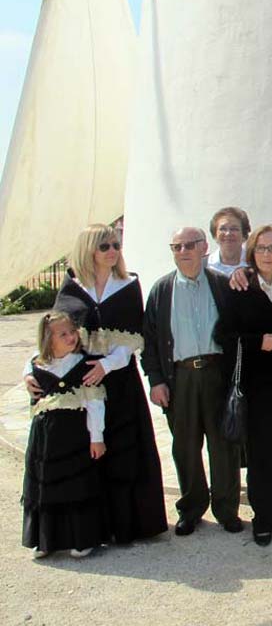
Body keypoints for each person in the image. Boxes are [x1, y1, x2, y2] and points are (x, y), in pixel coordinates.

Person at [37, 224, 168, 543]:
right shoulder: (71, 287)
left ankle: (129, 526)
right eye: (105, 246)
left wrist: (106, 366)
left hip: (120, 379)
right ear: (89, 250)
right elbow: (55, 333)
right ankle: (93, 529)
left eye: (116, 245)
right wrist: (35, 371)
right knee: (90, 451)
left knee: (125, 451)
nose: (113, 251)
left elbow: (134, 338)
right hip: (81, 380)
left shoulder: (128, 284)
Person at [141, 227, 242, 536]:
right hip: (179, 378)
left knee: (223, 445)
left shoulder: (222, 286)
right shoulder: (162, 291)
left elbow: (238, 335)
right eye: (176, 246)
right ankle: (191, 508)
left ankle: (226, 510)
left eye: (188, 245)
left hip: (216, 374)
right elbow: (150, 342)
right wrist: (156, 381)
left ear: (203, 247)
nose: (182, 251)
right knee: (185, 446)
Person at [216, 225, 272, 546]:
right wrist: (256, 343)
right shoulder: (238, 287)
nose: (268, 254)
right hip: (256, 385)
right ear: (252, 252)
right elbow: (223, 336)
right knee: (260, 456)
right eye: (262, 248)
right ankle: (261, 518)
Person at [22, 312, 107, 558]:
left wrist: (97, 437)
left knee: (75, 485)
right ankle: (45, 539)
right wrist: (27, 374)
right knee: (44, 486)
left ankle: (81, 538)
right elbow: (28, 365)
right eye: (63, 334)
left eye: (72, 331)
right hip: (44, 437)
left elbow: (95, 404)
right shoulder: (37, 365)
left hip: (74, 435)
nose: (71, 337)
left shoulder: (83, 364)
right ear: (48, 340)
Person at [206, 207, 250, 276]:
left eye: (234, 229)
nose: (228, 233)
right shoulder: (204, 266)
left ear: (244, 235)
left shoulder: (255, 264)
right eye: (222, 229)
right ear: (215, 235)